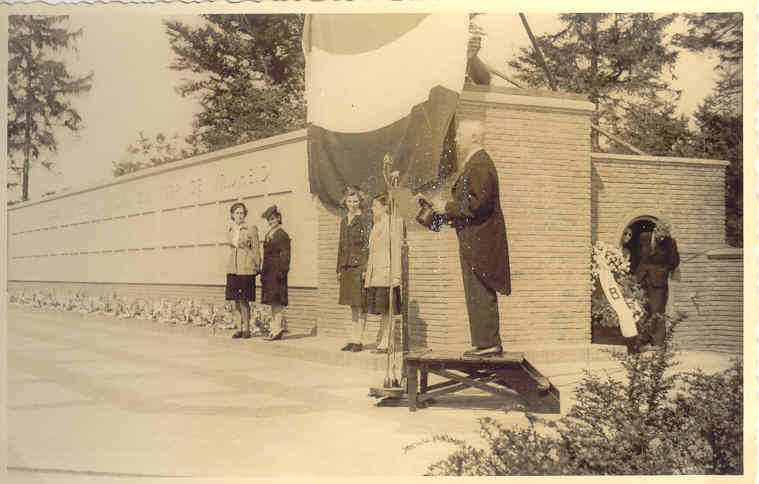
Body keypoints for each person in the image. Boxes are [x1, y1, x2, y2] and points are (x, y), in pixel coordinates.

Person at [432, 119, 510, 357]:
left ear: (474, 137)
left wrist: (446, 207)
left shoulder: (479, 165)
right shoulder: (476, 163)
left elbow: (477, 205)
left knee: (480, 289)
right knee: (475, 290)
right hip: (474, 239)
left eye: (460, 135)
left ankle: (489, 344)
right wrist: (443, 212)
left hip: (480, 241)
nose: (456, 139)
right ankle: (484, 342)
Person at [364, 193, 404, 354]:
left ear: (385, 207)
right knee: (383, 310)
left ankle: (387, 342)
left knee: (388, 310)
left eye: (375, 206)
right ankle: (384, 341)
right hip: (376, 275)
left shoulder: (392, 224)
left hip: (387, 275)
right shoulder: (376, 225)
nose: (372, 209)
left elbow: (396, 250)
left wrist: (396, 275)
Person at [336, 186, 372, 352]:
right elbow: (341, 246)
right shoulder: (344, 221)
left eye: (355, 201)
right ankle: (352, 339)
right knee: (351, 305)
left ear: (360, 202)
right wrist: (338, 268)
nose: (352, 204)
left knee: (360, 304)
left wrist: (365, 268)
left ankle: (359, 340)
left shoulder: (365, 219)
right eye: (350, 201)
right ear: (346, 202)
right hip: (346, 266)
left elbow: (367, 246)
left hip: (358, 266)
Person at [634, 219, 680, 349]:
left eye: (665, 235)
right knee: (642, 309)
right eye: (660, 234)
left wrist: (661, 269)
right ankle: (642, 339)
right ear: (656, 230)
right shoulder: (644, 237)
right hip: (642, 278)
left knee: (657, 310)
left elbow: (674, 262)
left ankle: (658, 342)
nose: (662, 238)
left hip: (658, 282)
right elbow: (637, 256)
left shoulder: (670, 242)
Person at [225, 202, 261, 339]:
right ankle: (238, 328)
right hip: (233, 268)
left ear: (245, 214)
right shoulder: (230, 230)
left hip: (245, 268)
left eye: (241, 213)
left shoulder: (251, 228)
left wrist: (257, 265)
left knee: (244, 300)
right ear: (232, 215)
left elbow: (256, 249)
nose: (239, 215)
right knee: (235, 300)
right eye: (236, 213)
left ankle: (246, 329)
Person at [261, 205, 291, 341]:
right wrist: (263, 273)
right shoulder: (269, 234)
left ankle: (277, 329)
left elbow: (286, 256)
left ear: (279, 218)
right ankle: (274, 329)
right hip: (269, 271)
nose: (271, 221)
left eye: (273, 219)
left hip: (278, 272)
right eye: (269, 220)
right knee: (272, 301)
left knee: (277, 301)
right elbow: (266, 255)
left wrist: (282, 272)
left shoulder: (282, 235)